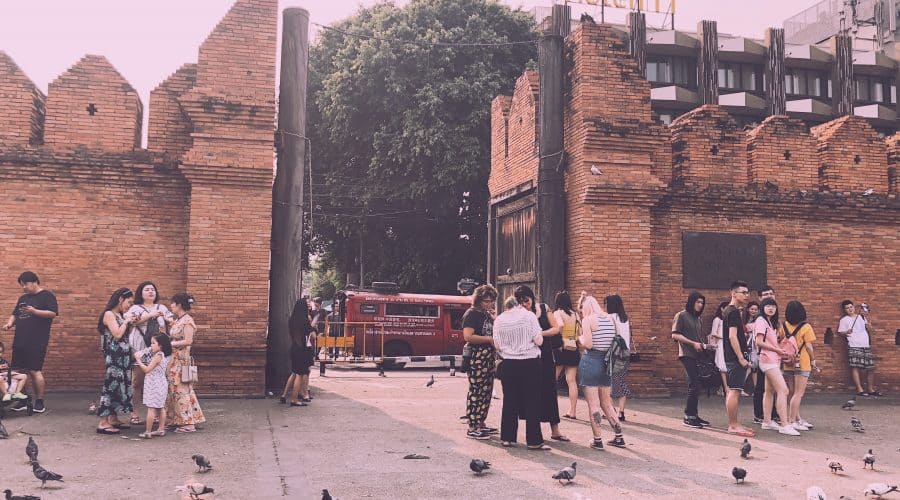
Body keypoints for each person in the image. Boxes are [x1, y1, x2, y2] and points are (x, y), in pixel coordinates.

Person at [493, 289, 547, 449]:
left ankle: (507, 438)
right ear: (518, 305)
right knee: (532, 401)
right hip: (530, 362)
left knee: (510, 401)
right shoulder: (529, 316)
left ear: (506, 306)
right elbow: (539, 340)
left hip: (509, 363)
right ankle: (534, 441)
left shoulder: (499, 320)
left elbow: (497, 345)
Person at [3, 271, 58, 413]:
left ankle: (39, 402)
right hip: (20, 340)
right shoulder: (23, 298)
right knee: (16, 372)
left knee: (34, 371)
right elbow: (15, 314)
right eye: (22, 285)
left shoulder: (47, 296)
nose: (24, 288)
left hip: (36, 341)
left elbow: (52, 313)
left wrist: (34, 311)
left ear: (34, 282)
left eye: (25, 284)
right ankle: (22, 399)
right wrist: (9, 324)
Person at [519, 286, 568, 442]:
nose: (525, 304)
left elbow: (556, 328)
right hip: (529, 356)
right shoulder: (521, 314)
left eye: (526, 300)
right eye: (521, 302)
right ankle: (536, 431)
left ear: (531, 297)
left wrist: (540, 334)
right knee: (532, 393)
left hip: (546, 355)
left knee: (550, 390)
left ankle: (555, 429)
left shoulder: (543, 307)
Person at [578, 295, 626, 449]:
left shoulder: (587, 320)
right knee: (607, 403)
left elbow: (589, 344)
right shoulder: (611, 319)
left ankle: (597, 440)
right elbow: (617, 339)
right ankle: (619, 437)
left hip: (591, 362)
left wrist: (580, 339)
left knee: (593, 404)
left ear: (585, 308)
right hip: (607, 364)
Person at [126, 281, 172, 425]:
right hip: (140, 347)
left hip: (157, 349)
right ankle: (134, 412)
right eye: (147, 289)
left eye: (153, 289)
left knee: (159, 381)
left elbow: (170, 321)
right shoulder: (135, 308)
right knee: (137, 382)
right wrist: (150, 315)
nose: (151, 292)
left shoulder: (162, 307)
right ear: (141, 293)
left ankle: (157, 412)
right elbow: (130, 322)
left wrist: (168, 319)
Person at [752, 299, 798, 436]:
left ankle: (767, 421)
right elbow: (759, 342)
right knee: (783, 390)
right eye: (768, 306)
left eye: (773, 306)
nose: (771, 308)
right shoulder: (761, 320)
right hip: (768, 360)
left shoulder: (769, 322)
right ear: (762, 307)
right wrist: (777, 350)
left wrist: (778, 350)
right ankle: (784, 424)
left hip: (771, 359)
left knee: (769, 390)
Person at [96, 287, 136, 434]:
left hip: (124, 356)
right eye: (129, 302)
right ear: (120, 299)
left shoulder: (120, 315)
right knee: (111, 386)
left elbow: (125, 335)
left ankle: (113, 418)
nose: (129, 306)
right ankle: (103, 422)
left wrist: (130, 323)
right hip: (114, 356)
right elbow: (117, 334)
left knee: (120, 385)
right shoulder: (109, 314)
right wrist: (126, 321)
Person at [461, 284, 498, 440]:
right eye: (486, 301)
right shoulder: (471, 314)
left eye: (491, 301)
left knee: (487, 390)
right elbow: (468, 336)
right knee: (477, 390)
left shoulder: (487, 314)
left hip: (489, 356)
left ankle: (481, 422)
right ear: (479, 300)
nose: (489, 304)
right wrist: (488, 339)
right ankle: (473, 425)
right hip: (477, 355)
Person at [166, 292, 205, 432]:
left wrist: (171, 344)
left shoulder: (187, 321)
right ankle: (183, 418)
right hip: (175, 360)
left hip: (182, 362)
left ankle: (188, 423)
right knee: (176, 390)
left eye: (173, 303)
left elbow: (189, 341)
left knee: (181, 390)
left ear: (179, 305)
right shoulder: (179, 320)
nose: (171, 306)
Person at [671, 291, 710, 429]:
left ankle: (694, 415)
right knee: (694, 384)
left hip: (697, 355)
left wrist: (704, 346)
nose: (700, 305)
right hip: (686, 354)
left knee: (697, 384)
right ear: (691, 302)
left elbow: (698, 338)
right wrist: (692, 343)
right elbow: (675, 335)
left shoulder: (698, 319)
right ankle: (688, 416)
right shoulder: (681, 315)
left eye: (702, 303)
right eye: (698, 302)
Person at [722, 280, 754, 437]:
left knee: (734, 390)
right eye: (743, 292)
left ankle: (734, 423)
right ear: (733, 293)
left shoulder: (729, 311)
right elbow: (732, 337)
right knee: (734, 391)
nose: (747, 295)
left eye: (748, 293)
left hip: (732, 357)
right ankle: (733, 425)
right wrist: (741, 357)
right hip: (735, 358)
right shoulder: (733, 312)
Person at [783, 300, 817, 431]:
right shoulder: (806, 327)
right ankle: (792, 421)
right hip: (802, 362)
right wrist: (813, 360)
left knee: (792, 393)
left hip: (788, 362)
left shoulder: (784, 325)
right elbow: (808, 346)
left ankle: (797, 418)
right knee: (798, 393)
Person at [133, 333, 171, 438]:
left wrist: (138, 361)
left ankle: (148, 431)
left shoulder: (157, 356)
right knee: (160, 407)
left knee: (151, 408)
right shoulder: (163, 355)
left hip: (154, 384)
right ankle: (160, 429)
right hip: (161, 382)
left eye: (154, 343)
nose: (151, 346)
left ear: (161, 345)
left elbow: (147, 370)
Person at [838, 300, 880, 396]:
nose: (850, 309)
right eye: (847, 308)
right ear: (845, 310)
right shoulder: (844, 320)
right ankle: (859, 389)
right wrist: (847, 331)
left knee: (870, 368)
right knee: (855, 366)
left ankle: (870, 389)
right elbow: (840, 332)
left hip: (865, 344)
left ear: (853, 307)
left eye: (851, 307)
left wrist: (869, 325)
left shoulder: (861, 317)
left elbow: (869, 329)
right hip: (854, 344)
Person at [553, 291, 581, 420]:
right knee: (571, 381)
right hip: (573, 347)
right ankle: (573, 411)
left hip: (561, 348)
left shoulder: (558, 313)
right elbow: (580, 331)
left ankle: (549, 408)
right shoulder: (575, 314)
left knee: (552, 379)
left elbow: (560, 326)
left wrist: (558, 339)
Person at [284, 299, 316, 406]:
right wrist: (313, 329)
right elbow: (312, 335)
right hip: (302, 350)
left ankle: (284, 395)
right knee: (299, 375)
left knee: (294, 373)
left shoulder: (291, 319)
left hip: (293, 348)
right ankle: (294, 399)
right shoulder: (304, 321)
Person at [605, 295, 632, 422]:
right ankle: (621, 412)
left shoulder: (610, 318)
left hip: (614, 355)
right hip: (625, 354)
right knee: (620, 380)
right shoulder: (625, 318)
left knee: (608, 383)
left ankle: (612, 411)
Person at [708, 301, 729, 396]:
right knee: (722, 367)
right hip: (721, 344)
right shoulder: (717, 319)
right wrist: (724, 337)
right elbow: (713, 333)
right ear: (721, 308)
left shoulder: (727, 319)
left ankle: (723, 388)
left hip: (728, 344)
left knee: (728, 366)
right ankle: (725, 388)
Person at [743, 301, 760, 397]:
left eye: (756, 309)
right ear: (748, 309)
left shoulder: (759, 320)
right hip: (746, 345)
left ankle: (756, 389)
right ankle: (739, 387)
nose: (753, 311)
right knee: (749, 366)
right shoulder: (744, 319)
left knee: (753, 368)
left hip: (754, 346)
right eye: (752, 309)